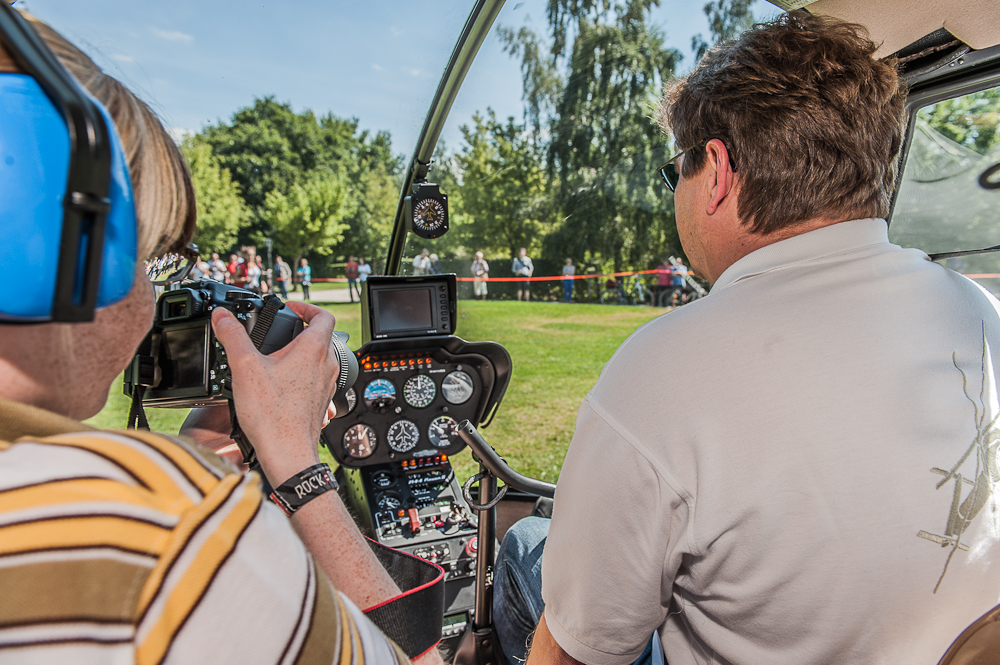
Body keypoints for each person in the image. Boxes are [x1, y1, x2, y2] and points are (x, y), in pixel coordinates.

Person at [492, 13, 1000, 665]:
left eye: (676, 166)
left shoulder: (661, 373)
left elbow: (574, 653)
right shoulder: (979, 312)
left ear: (718, 171)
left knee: (527, 545)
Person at [0, 11, 421, 665]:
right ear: (56, 248)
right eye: (153, 257)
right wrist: (296, 465)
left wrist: (197, 450)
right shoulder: (160, 527)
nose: (152, 301)